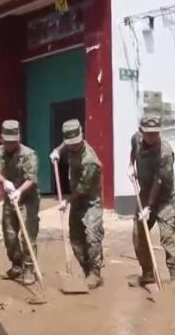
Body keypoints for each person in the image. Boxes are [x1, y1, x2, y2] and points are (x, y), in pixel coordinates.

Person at [127, 115, 175, 295]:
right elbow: (133, 150)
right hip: (144, 194)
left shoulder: (165, 152)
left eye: (155, 134)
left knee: (167, 236)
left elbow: (159, 181)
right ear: (142, 131)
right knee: (138, 235)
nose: (151, 137)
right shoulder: (136, 139)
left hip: (163, 198)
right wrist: (131, 165)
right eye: (148, 134)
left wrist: (149, 207)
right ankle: (148, 273)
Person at [49, 119, 104, 289]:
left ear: (82, 137)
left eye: (75, 144)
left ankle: (95, 273)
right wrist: (57, 151)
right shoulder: (70, 143)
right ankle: (86, 270)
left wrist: (66, 201)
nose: (72, 147)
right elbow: (65, 144)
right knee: (75, 239)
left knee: (92, 236)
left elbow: (82, 189)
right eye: (70, 144)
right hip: (77, 200)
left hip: (90, 202)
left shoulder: (90, 162)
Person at [0, 120, 41, 286]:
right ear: (1, 139)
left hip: (28, 197)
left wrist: (20, 191)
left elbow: (31, 179)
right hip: (10, 196)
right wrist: (4, 182)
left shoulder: (29, 154)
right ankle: (17, 265)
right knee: (9, 235)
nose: (11, 144)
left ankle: (29, 268)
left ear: (19, 139)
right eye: (8, 141)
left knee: (27, 234)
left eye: (14, 141)